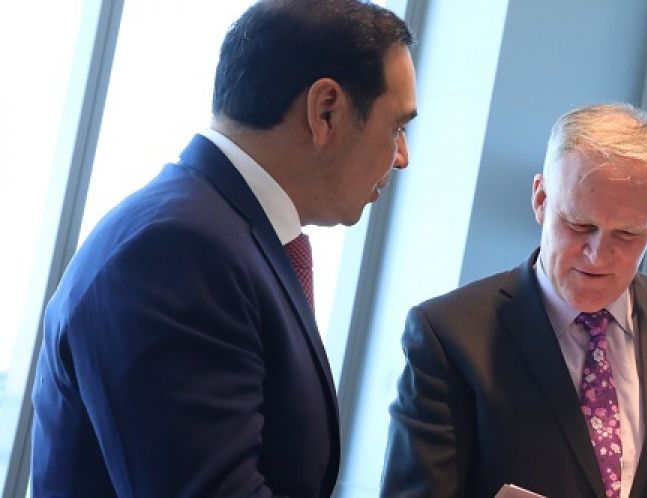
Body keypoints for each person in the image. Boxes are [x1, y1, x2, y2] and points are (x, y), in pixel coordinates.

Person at [31, 0, 417, 496]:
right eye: (397, 127)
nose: (402, 157)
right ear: (326, 110)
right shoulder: (178, 251)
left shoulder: (210, 232)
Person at [381, 103, 647, 497]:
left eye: (627, 234)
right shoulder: (450, 334)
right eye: (579, 225)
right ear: (541, 199)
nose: (598, 255)